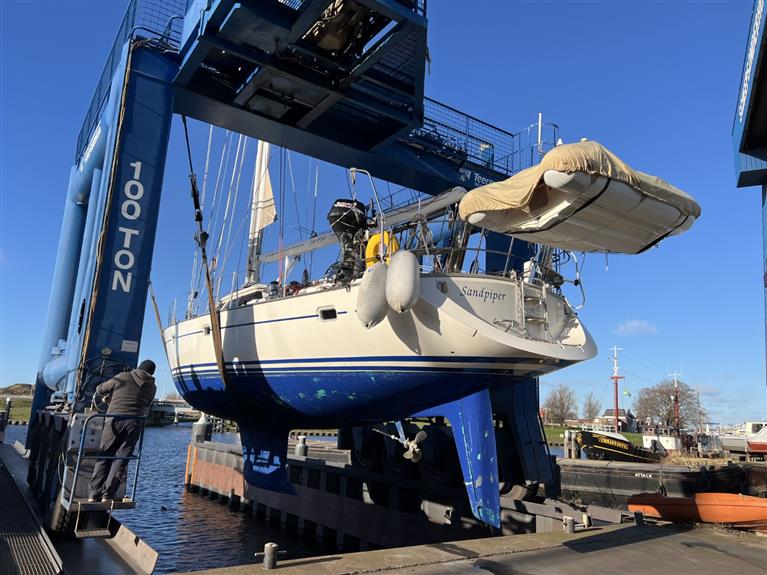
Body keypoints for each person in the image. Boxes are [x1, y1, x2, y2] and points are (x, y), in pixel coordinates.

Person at [88, 359, 157, 502]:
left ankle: (93, 495)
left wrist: (112, 399)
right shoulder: (152, 387)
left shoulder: (123, 376)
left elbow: (100, 389)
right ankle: (108, 495)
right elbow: (144, 403)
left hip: (115, 420)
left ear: (138, 367)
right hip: (135, 424)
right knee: (121, 460)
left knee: (105, 456)